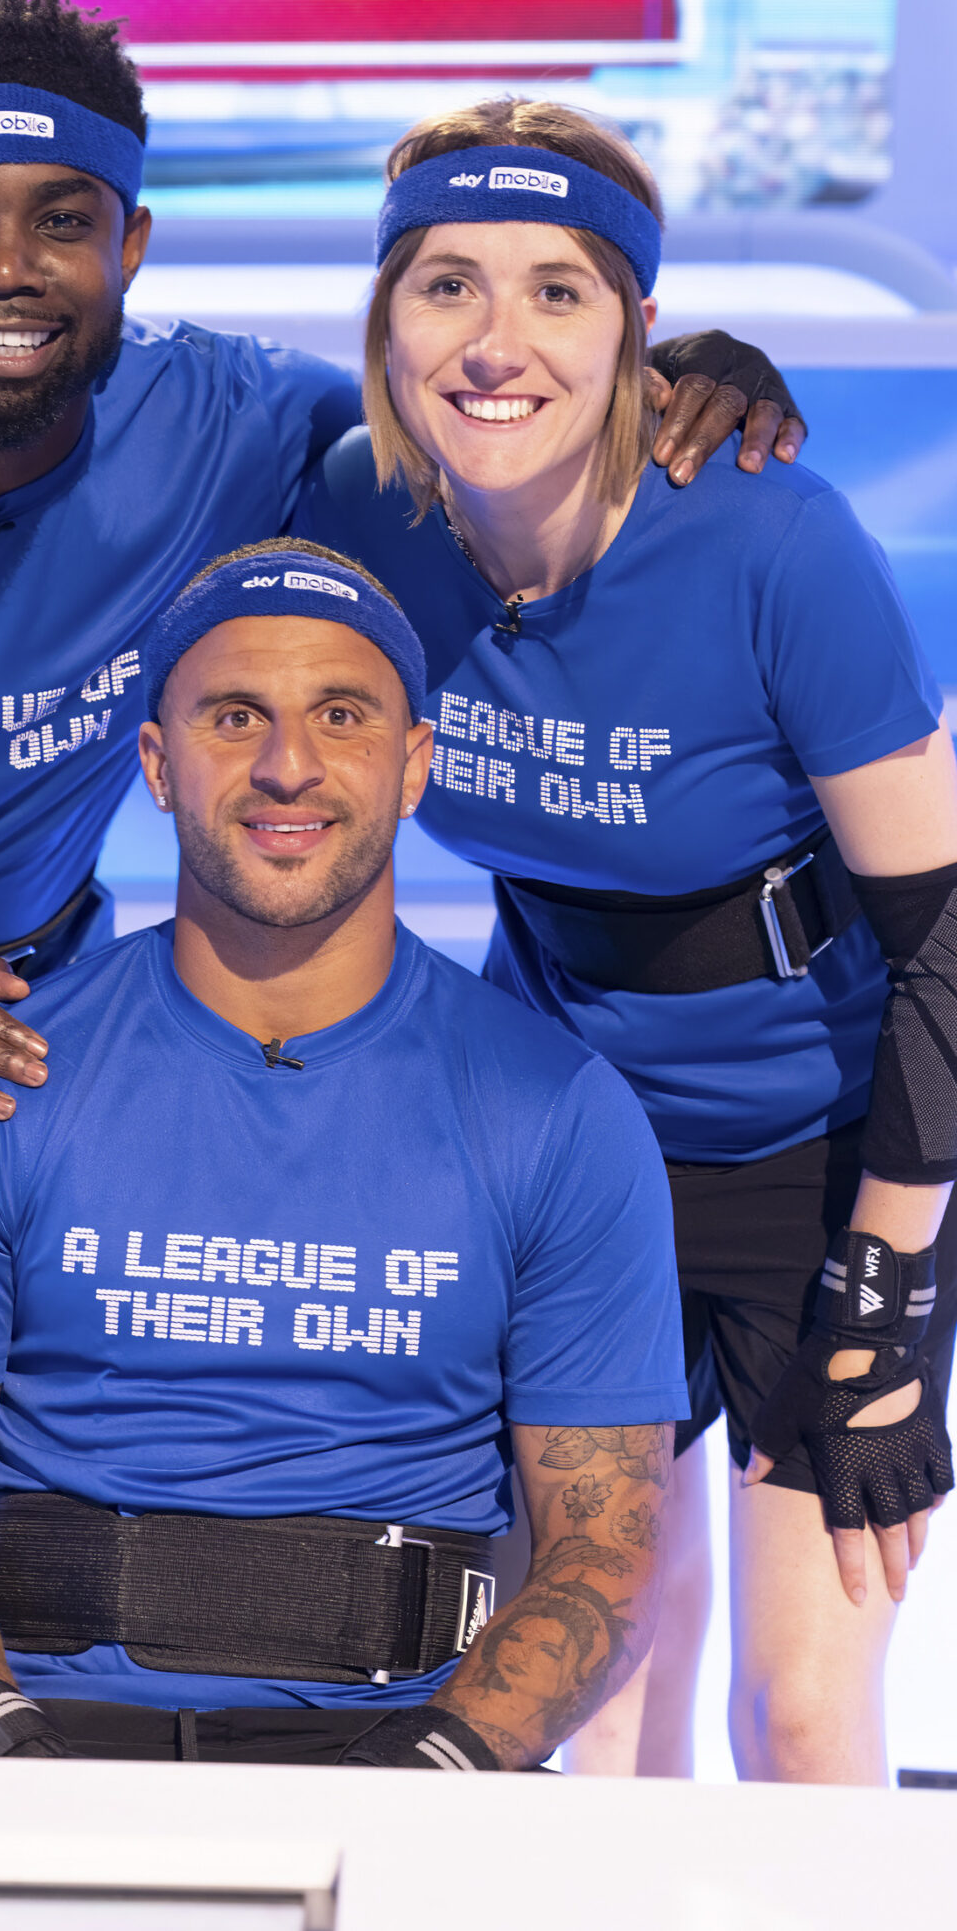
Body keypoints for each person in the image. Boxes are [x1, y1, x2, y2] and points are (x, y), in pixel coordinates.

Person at [0, 0, 801, 1753]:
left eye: (62, 221)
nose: (7, 269)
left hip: (6, 1069)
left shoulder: (230, 425)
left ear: (131, 243)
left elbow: (485, 409)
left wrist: (674, 384)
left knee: (22, 1572)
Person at [295, 97, 957, 1785]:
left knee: (797, 1712)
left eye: (559, 291)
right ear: (387, 314)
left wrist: (889, 1288)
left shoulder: (770, 536)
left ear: (639, 328)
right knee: (584, 1691)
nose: (495, 341)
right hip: (571, 1153)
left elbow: (947, 942)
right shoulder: (358, 514)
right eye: (448, 283)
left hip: (824, 1155)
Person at [0, 544, 689, 1767]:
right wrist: (3, 1763)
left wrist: (429, 1777)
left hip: (408, 1757)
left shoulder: (558, 1111)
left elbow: (605, 1555)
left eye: (341, 716)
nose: (288, 765)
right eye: (235, 717)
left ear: (414, 765)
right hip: (41, 1747)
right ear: (155, 765)